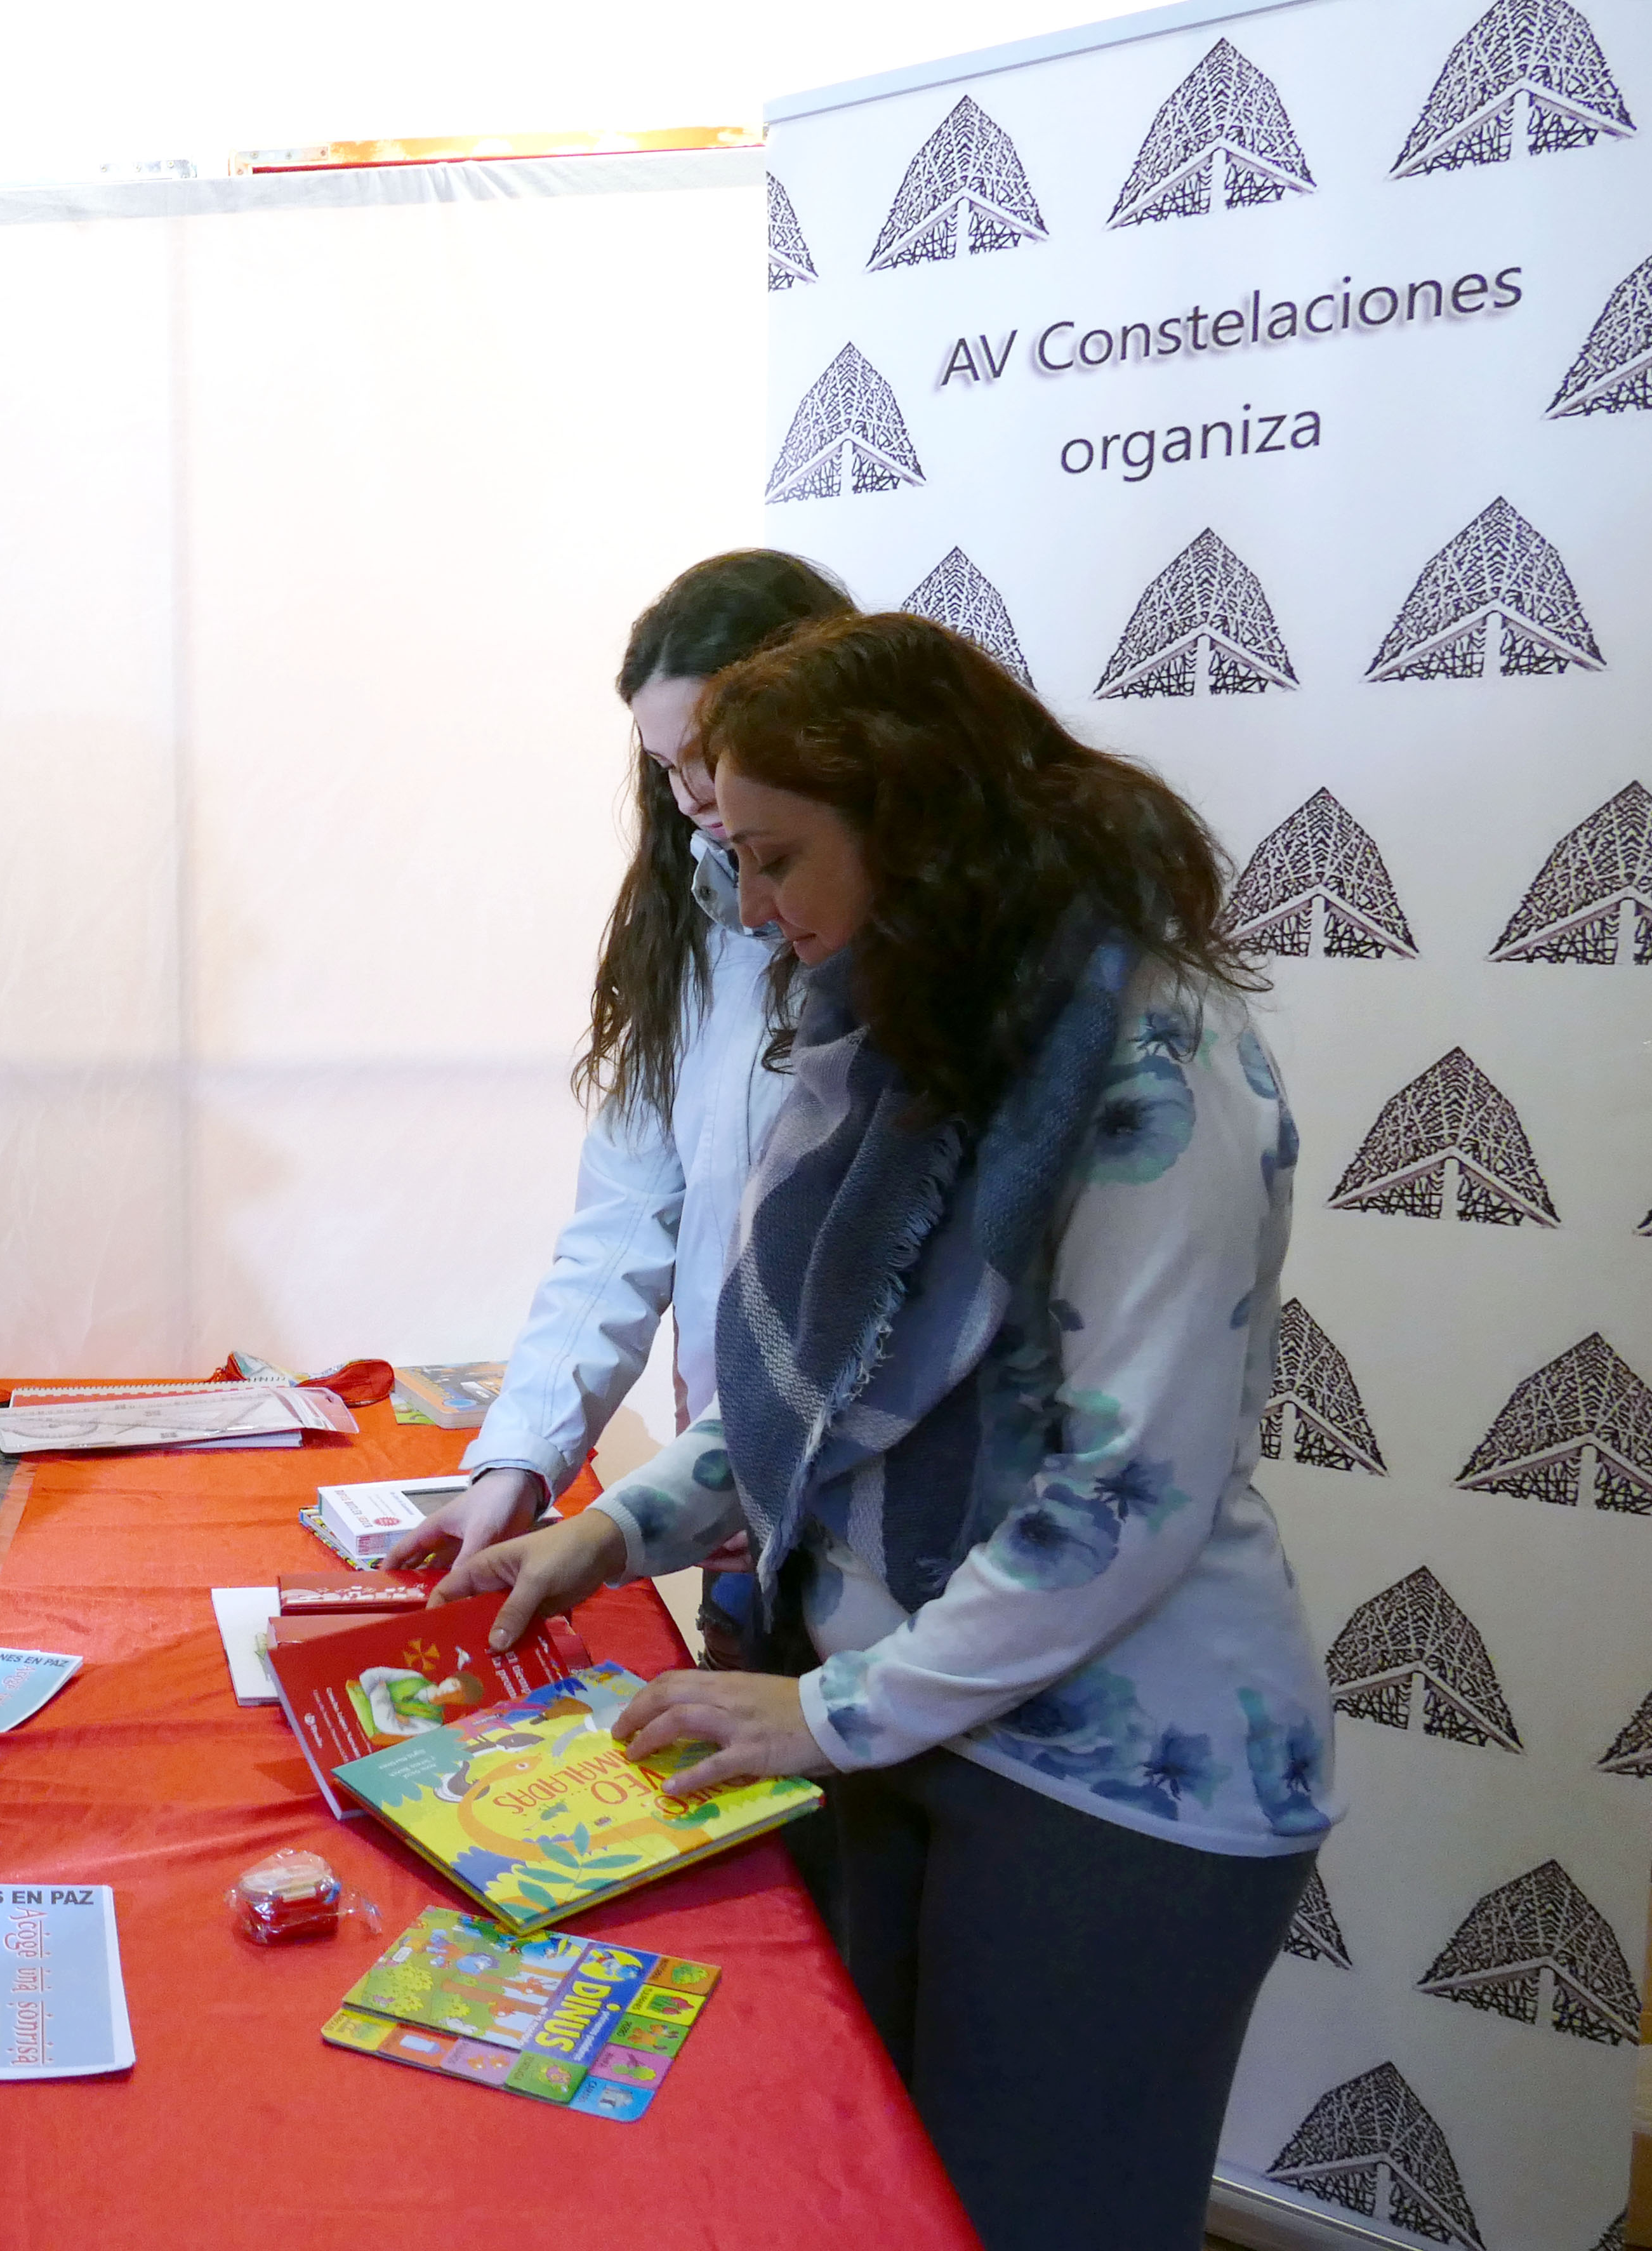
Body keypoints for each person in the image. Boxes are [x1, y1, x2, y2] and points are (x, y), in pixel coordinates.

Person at [447, 611, 1337, 2251]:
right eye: (733, 856)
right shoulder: (894, 1032)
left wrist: (830, 1711)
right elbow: (813, 1402)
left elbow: (1123, 1494)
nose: (751, 910)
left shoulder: (1147, 1060)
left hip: (1108, 1784)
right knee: (862, 2198)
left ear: (917, 824)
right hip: (908, 1728)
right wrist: (616, 1527)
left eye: (776, 857)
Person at [385, 553, 854, 1614]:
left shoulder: (905, 962)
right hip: (731, 1492)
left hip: (872, 1528)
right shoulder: (691, 918)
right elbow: (627, 1215)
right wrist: (521, 1460)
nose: (694, 798)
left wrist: (622, 1521)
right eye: (665, 767)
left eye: (708, 757)